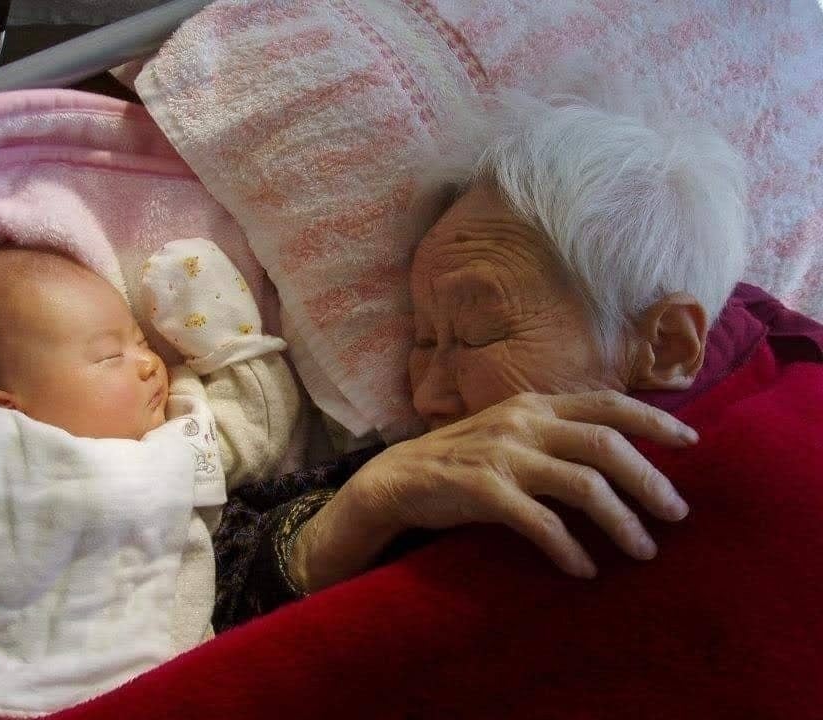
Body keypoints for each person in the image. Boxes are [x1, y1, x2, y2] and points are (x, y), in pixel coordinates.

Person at [212, 89, 753, 626]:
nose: (426, 394)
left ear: (666, 345)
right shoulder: (420, 470)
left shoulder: (769, 423)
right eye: (424, 341)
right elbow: (205, 575)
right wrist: (365, 506)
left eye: (479, 334)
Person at [0, 240, 300, 711]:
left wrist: (227, 342)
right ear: (7, 411)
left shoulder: (169, 446)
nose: (150, 363)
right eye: (110, 356)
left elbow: (256, 430)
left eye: (142, 342)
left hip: (149, 694)